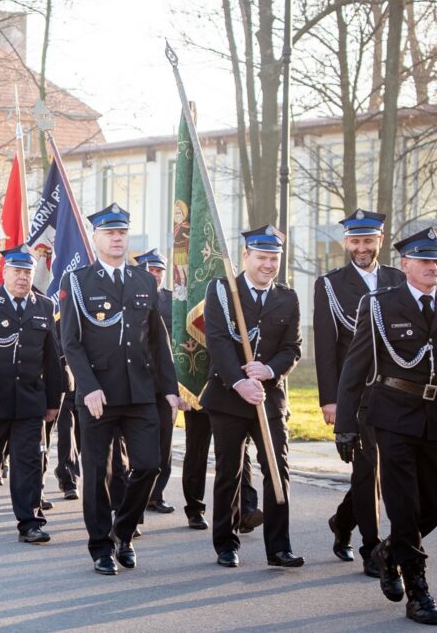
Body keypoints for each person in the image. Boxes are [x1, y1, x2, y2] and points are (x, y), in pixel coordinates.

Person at [59, 204, 182, 575]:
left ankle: (123, 532)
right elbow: (71, 342)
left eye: (122, 233)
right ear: (95, 237)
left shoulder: (144, 280)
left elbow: (158, 340)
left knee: (148, 465)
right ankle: (100, 547)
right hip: (98, 395)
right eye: (109, 233)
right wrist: (88, 387)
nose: (117, 238)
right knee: (96, 473)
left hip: (140, 391)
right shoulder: (77, 281)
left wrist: (170, 388)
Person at [336, 226, 437, 625]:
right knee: (403, 504)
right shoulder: (380, 305)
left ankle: (387, 551)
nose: (432, 267)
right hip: (393, 414)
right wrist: (345, 424)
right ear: (405, 264)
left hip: (435, 415)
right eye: (425, 260)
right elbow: (355, 366)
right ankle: (417, 591)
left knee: (433, 504)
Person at [201, 225, 303, 569]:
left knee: (278, 470)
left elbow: (292, 348)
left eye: (274, 259)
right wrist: (238, 381)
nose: (268, 265)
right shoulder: (222, 290)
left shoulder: (287, 297)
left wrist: (269, 370)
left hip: (269, 399)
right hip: (228, 397)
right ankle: (226, 544)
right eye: (261, 257)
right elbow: (217, 340)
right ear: (246, 256)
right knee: (229, 472)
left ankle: (279, 548)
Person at [315, 210, 402, 577]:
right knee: (367, 470)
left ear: (380, 240)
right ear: (346, 242)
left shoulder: (399, 279)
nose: (362, 248)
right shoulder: (330, 285)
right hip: (357, 394)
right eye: (355, 241)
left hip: (396, 393)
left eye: (368, 241)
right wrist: (331, 400)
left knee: (388, 470)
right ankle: (371, 547)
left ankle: (342, 521)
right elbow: (326, 346)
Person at [0, 245, 63, 543]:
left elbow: (52, 358)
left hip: (30, 400)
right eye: (17, 271)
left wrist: (53, 402)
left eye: (27, 272)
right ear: (4, 273)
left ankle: (30, 522)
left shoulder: (44, 306)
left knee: (29, 461)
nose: (22, 277)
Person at [133, 248, 177, 515]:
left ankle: (156, 494)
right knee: (137, 443)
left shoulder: (172, 301)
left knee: (164, 441)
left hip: (163, 384)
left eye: (160, 270)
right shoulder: (130, 297)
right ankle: (133, 495)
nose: (156, 275)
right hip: (137, 382)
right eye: (151, 270)